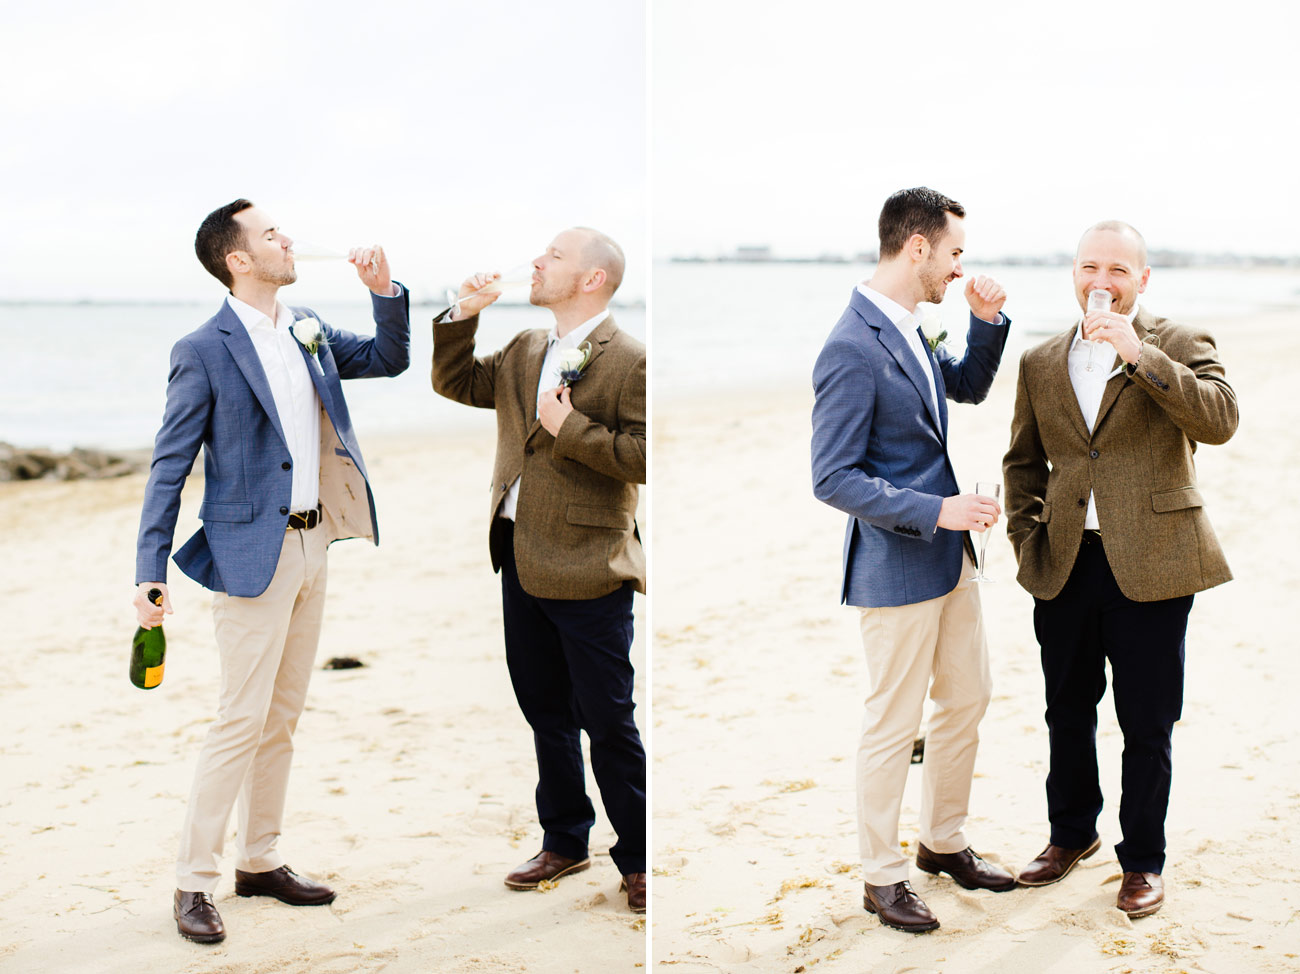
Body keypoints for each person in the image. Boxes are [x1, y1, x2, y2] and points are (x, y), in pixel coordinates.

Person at [133, 199, 410, 944]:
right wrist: (148, 568)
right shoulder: (204, 348)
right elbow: (170, 465)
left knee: (282, 718)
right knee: (239, 720)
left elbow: (388, 359)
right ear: (239, 260)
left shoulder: (308, 326)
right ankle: (194, 881)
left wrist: (384, 294)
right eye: (270, 234)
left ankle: (259, 859)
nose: (287, 238)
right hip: (249, 556)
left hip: (316, 544)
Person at [1003, 220, 1237, 918]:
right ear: (1073, 273)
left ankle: (1143, 862)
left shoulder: (1179, 342)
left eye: (1116, 269)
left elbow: (1220, 420)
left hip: (1157, 562)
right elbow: (1022, 462)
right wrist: (1027, 540)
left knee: (1147, 721)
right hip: (1066, 563)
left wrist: (1140, 356)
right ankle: (1070, 835)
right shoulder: (1041, 360)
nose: (1099, 281)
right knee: (1066, 711)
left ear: (1142, 278)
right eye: (1087, 267)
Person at [810, 187, 1014, 933]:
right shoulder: (851, 344)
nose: (961, 269)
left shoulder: (911, 327)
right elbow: (832, 476)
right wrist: (938, 511)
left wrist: (985, 325)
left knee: (968, 698)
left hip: (951, 560)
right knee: (893, 724)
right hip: (896, 567)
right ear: (918, 246)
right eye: (955, 253)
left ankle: (942, 841)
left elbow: (963, 386)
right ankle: (881, 875)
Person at [431, 227, 647, 913]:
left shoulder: (633, 360)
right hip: (516, 555)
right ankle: (565, 841)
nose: (535, 261)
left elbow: (645, 456)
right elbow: (458, 382)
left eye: (552, 256)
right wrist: (464, 316)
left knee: (609, 721)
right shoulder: (527, 347)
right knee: (544, 711)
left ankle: (639, 860)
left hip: (590, 564)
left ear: (592, 278)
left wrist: (570, 430)